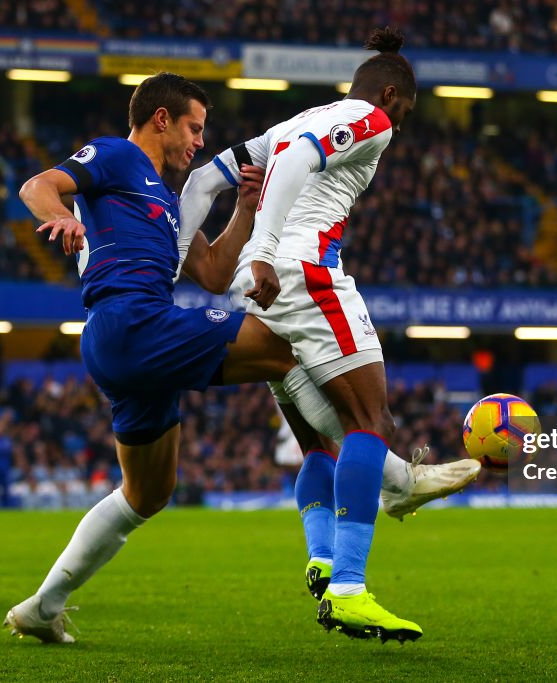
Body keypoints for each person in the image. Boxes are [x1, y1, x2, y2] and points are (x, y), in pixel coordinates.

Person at [5, 72, 300, 644]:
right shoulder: (116, 156)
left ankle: (44, 605)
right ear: (161, 119)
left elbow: (214, 275)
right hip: (130, 322)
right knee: (281, 346)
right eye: (194, 128)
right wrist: (61, 214)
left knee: (149, 492)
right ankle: (382, 473)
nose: (199, 142)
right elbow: (38, 185)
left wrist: (243, 209)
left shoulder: (166, 200)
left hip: (132, 340)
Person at [178, 26, 424, 642]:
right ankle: (348, 589)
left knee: (318, 439)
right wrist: (262, 247)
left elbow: (202, 183)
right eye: (408, 111)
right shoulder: (371, 119)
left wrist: (175, 256)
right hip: (302, 271)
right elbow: (294, 163)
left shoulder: (290, 123)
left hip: (257, 288)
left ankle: (321, 557)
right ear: (391, 96)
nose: (403, 123)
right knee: (372, 423)